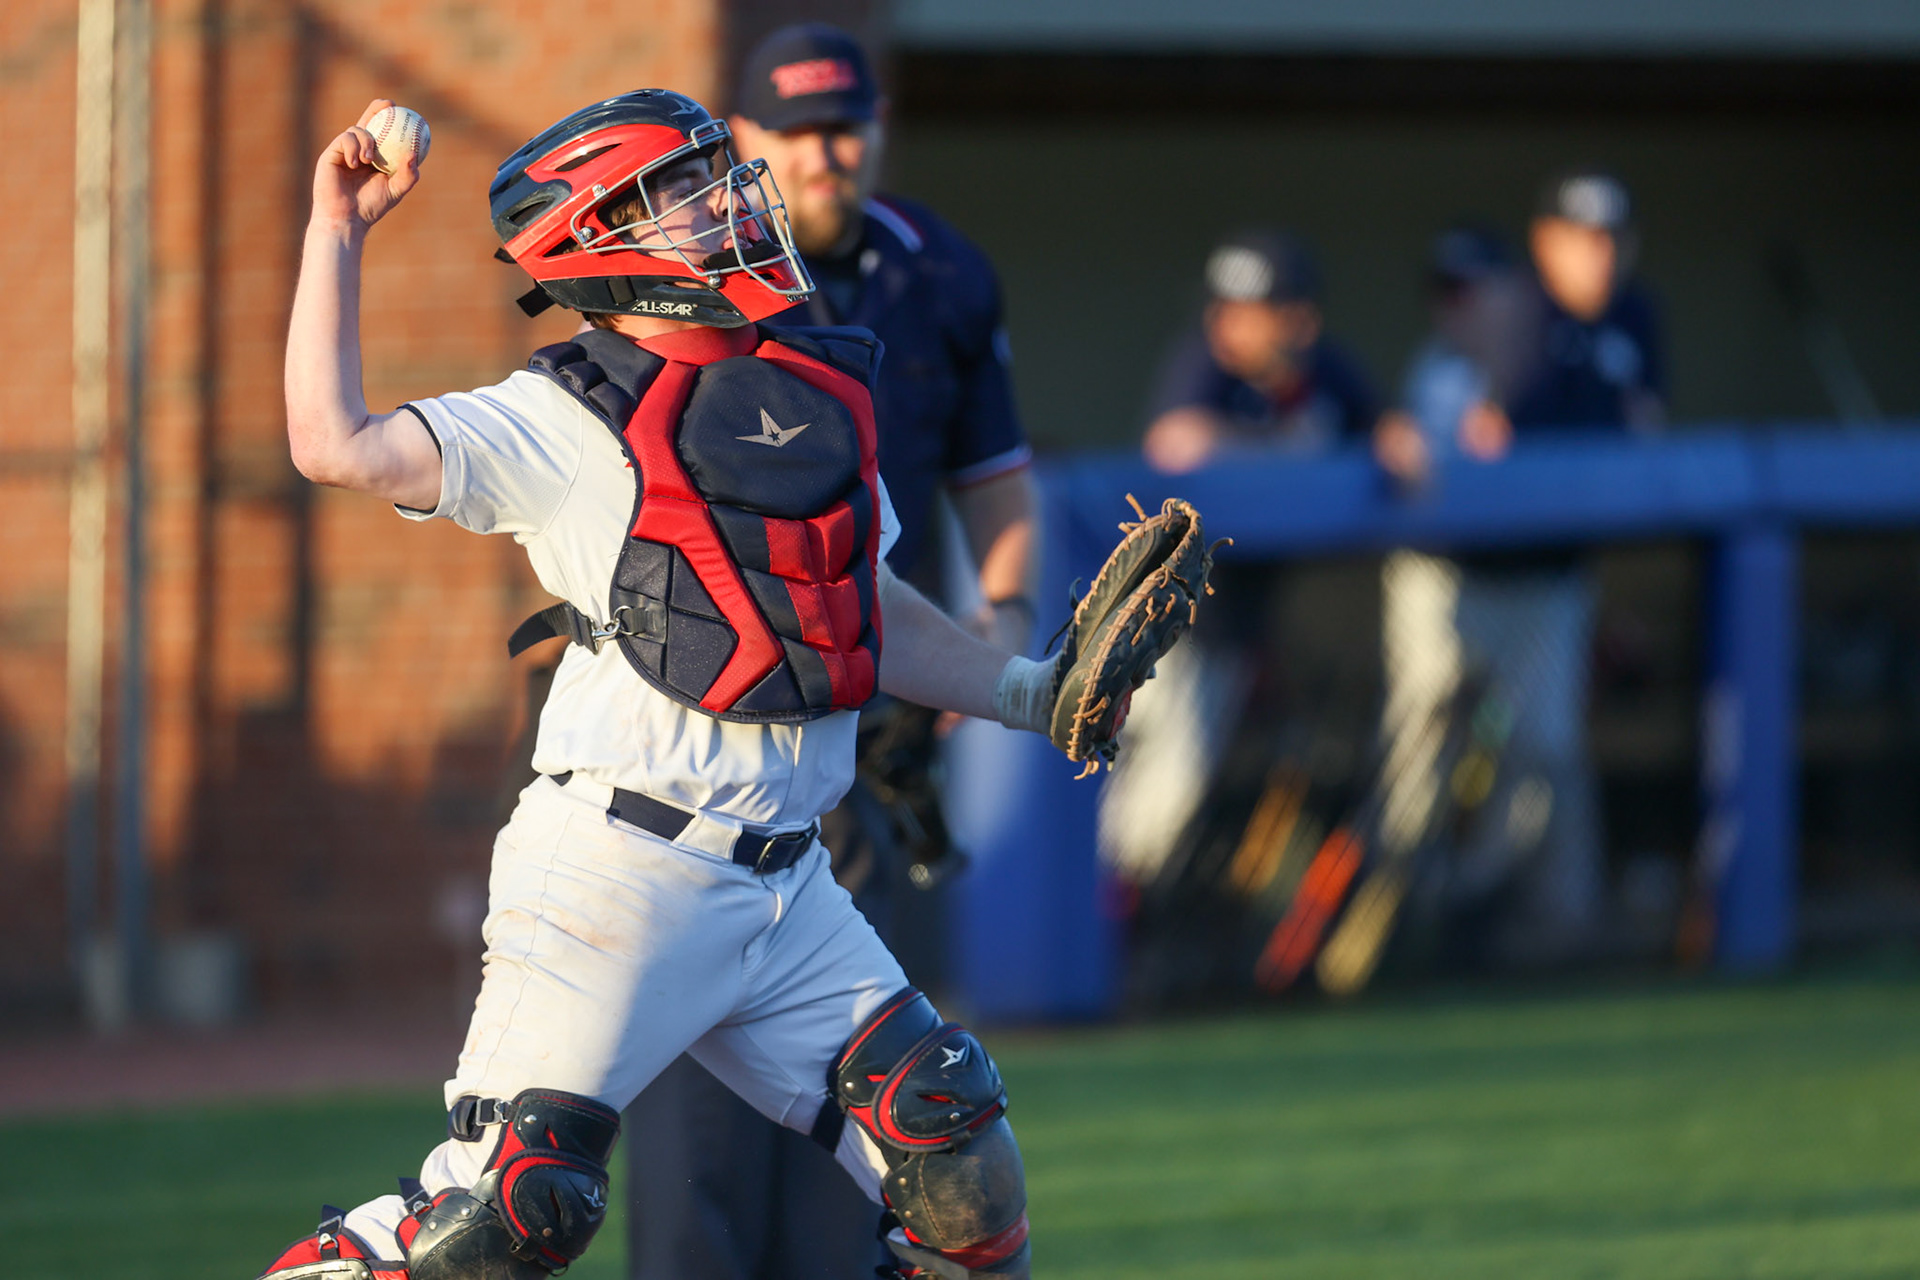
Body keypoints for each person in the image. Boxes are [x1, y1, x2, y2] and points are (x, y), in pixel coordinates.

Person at [257, 89, 1083, 1280]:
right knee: (501, 1216)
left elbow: (863, 605)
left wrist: (1024, 689)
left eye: (714, 175)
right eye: (685, 188)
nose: (731, 197)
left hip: (794, 878)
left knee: (962, 1181)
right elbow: (331, 440)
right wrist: (339, 226)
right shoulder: (556, 411)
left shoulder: (817, 385)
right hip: (622, 872)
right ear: (604, 238)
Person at [620, 25, 1039, 1280]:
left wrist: (1003, 634)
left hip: (873, 726)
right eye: (795, 129)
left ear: (881, 126)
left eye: (845, 123)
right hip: (702, 737)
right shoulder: (688, 276)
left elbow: (996, 486)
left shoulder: (941, 277)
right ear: (744, 142)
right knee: (695, 1140)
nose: (824, 150)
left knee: (874, 1121)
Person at [1373, 175, 1667, 965]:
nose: (1464, 303)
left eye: (1611, 239)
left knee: (1543, 752)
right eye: (1450, 289)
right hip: (1452, 578)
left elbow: (1638, 443)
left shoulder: (1625, 323)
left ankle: (1537, 924)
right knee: (1423, 749)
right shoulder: (1479, 344)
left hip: (1549, 582)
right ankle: (1396, 924)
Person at [1142, 229, 1380, 474]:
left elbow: (1391, 433)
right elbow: (1172, 444)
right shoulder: (1203, 360)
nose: (1223, 327)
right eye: (1218, 310)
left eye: (1243, 315)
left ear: (1299, 322)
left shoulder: (1329, 365)